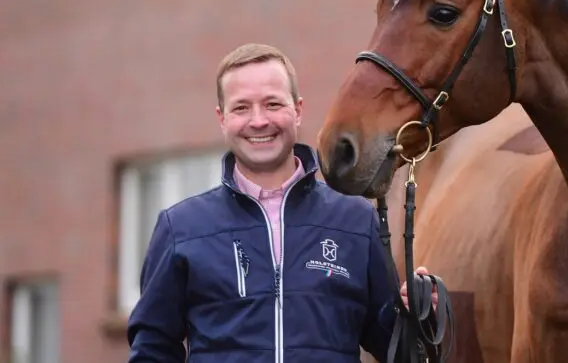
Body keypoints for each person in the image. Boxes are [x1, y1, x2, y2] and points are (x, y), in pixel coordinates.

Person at [126, 43, 436, 362]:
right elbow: (153, 349)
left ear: (297, 110)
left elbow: (394, 349)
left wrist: (414, 317)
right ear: (222, 118)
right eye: (241, 107)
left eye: (272, 104)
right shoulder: (181, 228)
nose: (258, 121)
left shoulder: (356, 220)